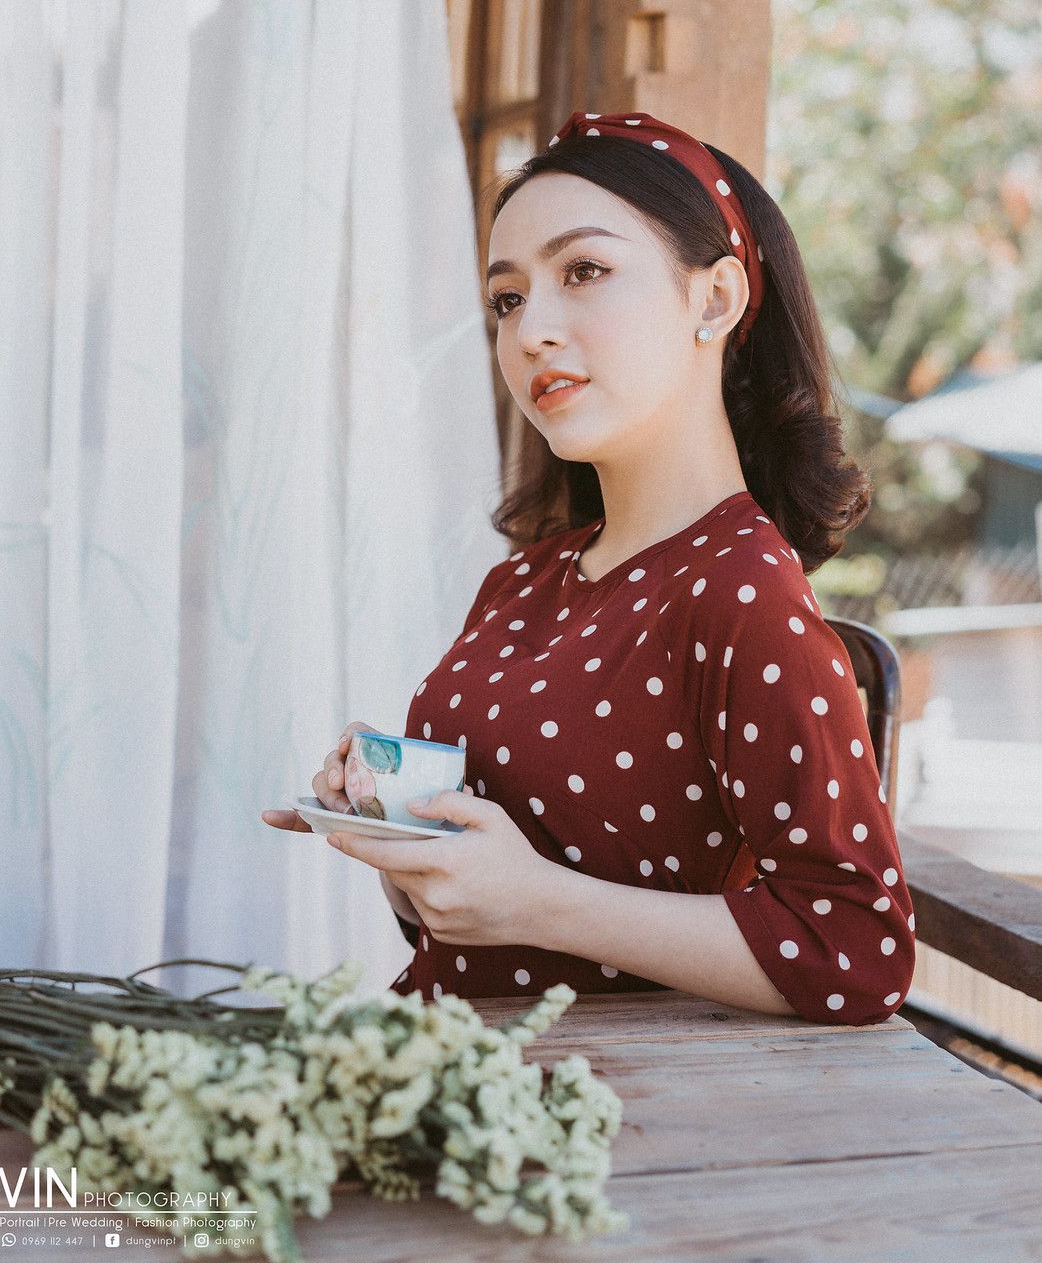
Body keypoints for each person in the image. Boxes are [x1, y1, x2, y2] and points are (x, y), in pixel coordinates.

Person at [263, 109, 916, 1025]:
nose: (533, 331)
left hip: (621, 1126)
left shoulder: (741, 589)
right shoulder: (524, 581)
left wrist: (535, 899)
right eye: (508, 298)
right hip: (450, 1083)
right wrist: (398, 833)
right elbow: (480, 916)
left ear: (716, 300)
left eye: (585, 272)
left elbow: (858, 951)